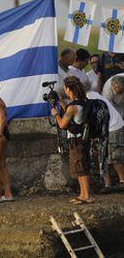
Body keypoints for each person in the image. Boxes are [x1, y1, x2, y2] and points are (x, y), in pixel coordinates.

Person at [51, 76, 93, 204]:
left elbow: (63, 124)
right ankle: (83, 194)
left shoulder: (72, 107)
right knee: (80, 166)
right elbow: (71, 112)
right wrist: (61, 102)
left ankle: (87, 196)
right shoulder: (82, 101)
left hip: (76, 140)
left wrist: (56, 114)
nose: (64, 89)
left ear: (69, 89)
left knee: (81, 166)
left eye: (65, 87)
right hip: (83, 138)